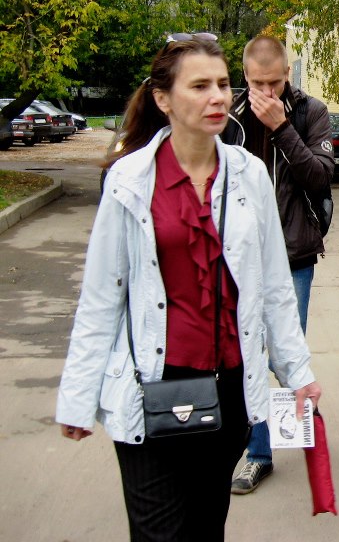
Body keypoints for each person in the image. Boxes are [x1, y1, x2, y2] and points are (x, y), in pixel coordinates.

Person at [56, 35, 321, 541]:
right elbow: (101, 298)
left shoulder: (249, 175)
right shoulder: (130, 180)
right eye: (199, 86)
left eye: (222, 84)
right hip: (150, 387)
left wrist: (297, 373)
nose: (217, 96)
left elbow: (273, 289)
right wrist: (77, 395)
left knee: (205, 526)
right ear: (163, 98)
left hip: (228, 392)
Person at [221, 34, 335, 494]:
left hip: (293, 254)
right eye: (257, 84)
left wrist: (283, 128)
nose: (266, 92)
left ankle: (295, 425)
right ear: (244, 76)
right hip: (236, 256)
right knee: (246, 354)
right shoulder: (229, 115)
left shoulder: (311, 113)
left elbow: (321, 178)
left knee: (285, 355)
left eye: (274, 82)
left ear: (288, 73)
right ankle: (258, 453)